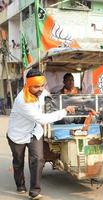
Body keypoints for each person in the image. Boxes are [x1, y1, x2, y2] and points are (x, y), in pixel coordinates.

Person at [7, 69, 75, 199]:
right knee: (18, 162)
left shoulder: (42, 92)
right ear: (28, 85)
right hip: (18, 135)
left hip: (35, 133)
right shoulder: (23, 101)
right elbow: (42, 119)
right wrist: (64, 111)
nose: (40, 89)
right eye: (36, 86)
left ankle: (34, 191)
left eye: (42, 85)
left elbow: (50, 100)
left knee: (38, 159)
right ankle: (20, 185)